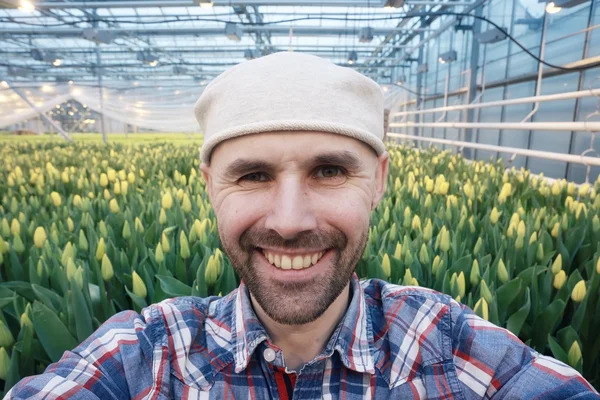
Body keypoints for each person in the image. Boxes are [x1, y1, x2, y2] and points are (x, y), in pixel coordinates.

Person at [5, 52, 599, 400]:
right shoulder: (148, 359)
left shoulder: (446, 348)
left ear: (381, 179)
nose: (289, 222)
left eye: (331, 170)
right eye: (253, 175)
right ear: (210, 182)